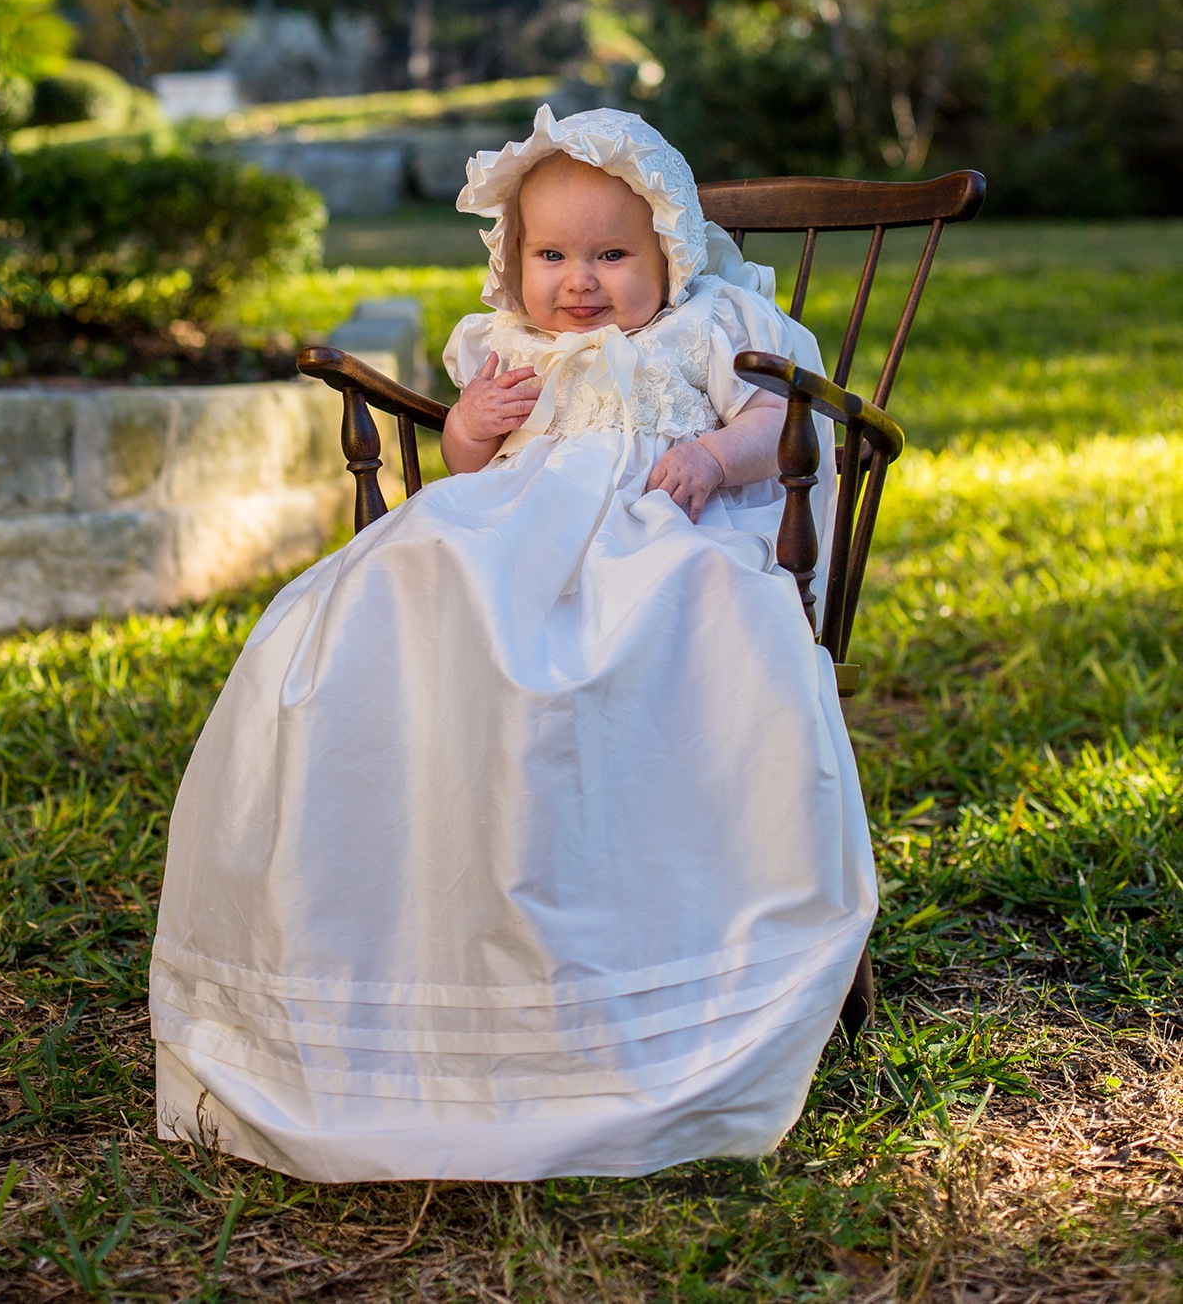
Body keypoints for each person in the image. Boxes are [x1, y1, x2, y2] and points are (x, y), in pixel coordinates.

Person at [150, 106, 876, 1182]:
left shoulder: (708, 328)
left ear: (667, 253)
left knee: (685, 621)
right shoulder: (502, 347)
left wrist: (718, 461)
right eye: (551, 255)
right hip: (502, 535)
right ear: (513, 260)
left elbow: (788, 425)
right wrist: (472, 422)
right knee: (381, 594)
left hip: (658, 535)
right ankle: (396, 918)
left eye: (610, 254)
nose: (578, 282)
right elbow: (464, 465)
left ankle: (644, 948)